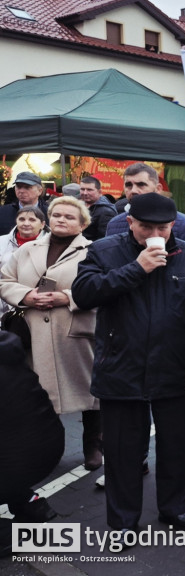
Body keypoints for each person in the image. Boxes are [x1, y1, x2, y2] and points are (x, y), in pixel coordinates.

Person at [72, 192, 185, 535]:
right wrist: (137, 268)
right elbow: (84, 293)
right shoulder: (104, 250)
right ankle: (122, 522)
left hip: (175, 368)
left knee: (177, 446)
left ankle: (176, 509)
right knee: (122, 452)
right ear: (131, 222)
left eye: (163, 228)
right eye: (146, 226)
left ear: (173, 226)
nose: (155, 234)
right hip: (120, 366)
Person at [0, 197, 100, 470]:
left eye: (69, 216)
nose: (61, 219)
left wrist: (67, 298)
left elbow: (101, 287)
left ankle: (93, 445)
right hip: (32, 332)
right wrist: (27, 295)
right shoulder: (27, 249)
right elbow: (4, 280)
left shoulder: (95, 251)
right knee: (40, 396)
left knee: (89, 393)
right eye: (56, 214)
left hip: (73, 330)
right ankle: (48, 450)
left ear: (82, 223)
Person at [0, 331, 65, 541]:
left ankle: (6, 536)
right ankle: (29, 504)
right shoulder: (6, 345)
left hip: (15, 462)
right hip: (48, 446)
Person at [104, 163, 185, 248]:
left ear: (158, 188)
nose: (133, 190)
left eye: (141, 184)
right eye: (128, 185)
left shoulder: (184, 224)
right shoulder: (114, 224)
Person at [0, 206, 47, 314]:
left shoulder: (51, 244)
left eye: (32, 220)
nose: (26, 223)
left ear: (42, 224)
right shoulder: (1, 242)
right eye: (21, 219)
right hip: (3, 302)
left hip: (36, 303)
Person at [79, 176, 117, 241]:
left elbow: (105, 239)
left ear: (99, 192)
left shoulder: (106, 211)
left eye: (89, 190)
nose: (85, 193)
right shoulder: (80, 205)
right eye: (82, 189)